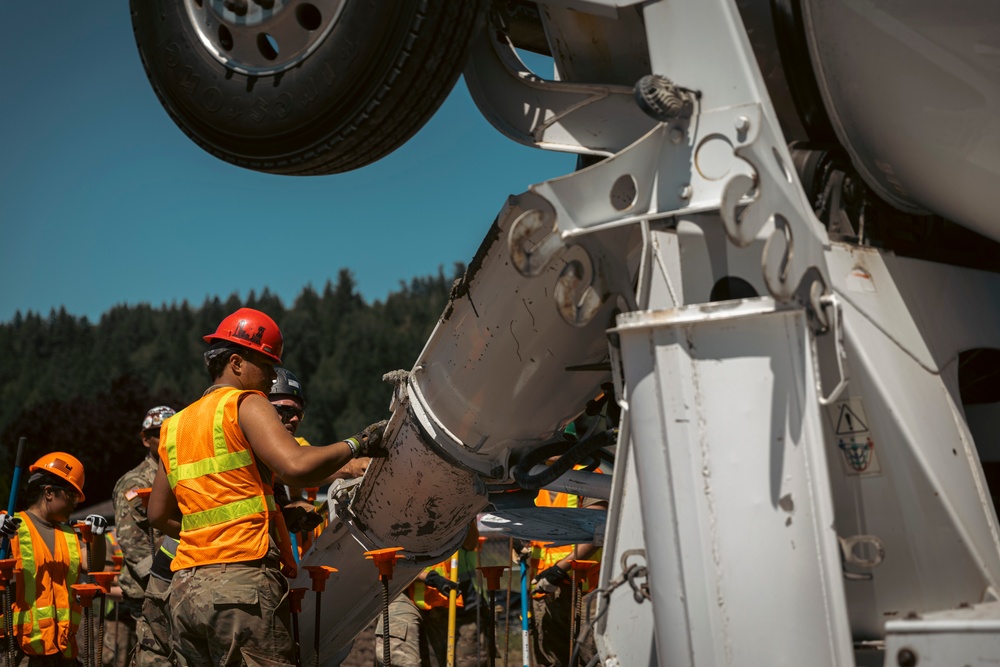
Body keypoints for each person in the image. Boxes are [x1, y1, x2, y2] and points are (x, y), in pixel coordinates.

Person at [147, 307, 389, 666]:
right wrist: (358, 443)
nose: (273, 374)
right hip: (241, 587)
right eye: (268, 363)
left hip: (186, 591)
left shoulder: (176, 426)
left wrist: (231, 529)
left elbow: (157, 514)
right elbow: (296, 467)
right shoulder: (245, 403)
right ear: (236, 362)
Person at [0, 452, 108, 666]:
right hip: (22, 652)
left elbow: (94, 566)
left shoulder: (68, 534)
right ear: (49, 492)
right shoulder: (12, 527)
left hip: (63, 650)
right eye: (71, 495)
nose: (75, 503)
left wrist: (97, 536)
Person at [268, 367, 370, 557]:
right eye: (287, 410)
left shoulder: (295, 446)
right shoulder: (250, 442)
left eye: (299, 412)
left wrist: (294, 511)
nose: (296, 418)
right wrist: (352, 464)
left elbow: (281, 498)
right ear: (261, 409)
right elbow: (301, 470)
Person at [111, 405, 176, 666]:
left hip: (182, 584)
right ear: (145, 439)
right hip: (151, 590)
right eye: (158, 434)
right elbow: (131, 541)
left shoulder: (183, 474)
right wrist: (159, 581)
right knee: (156, 658)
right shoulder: (135, 482)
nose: (165, 439)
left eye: (171, 432)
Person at [375, 524, 487, 667]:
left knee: (468, 661)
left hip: (454, 597)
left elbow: (471, 543)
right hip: (404, 592)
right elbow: (391, 561)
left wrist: (466, 516)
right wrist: (428, 577)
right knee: (399, 657)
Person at [530, 476, 606, 667]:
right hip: (544, 588)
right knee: (550, 659)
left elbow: (597, 532)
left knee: (589, 657)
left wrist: (559, 570)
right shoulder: (533, 478)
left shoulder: (589, 476)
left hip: (583, 589)